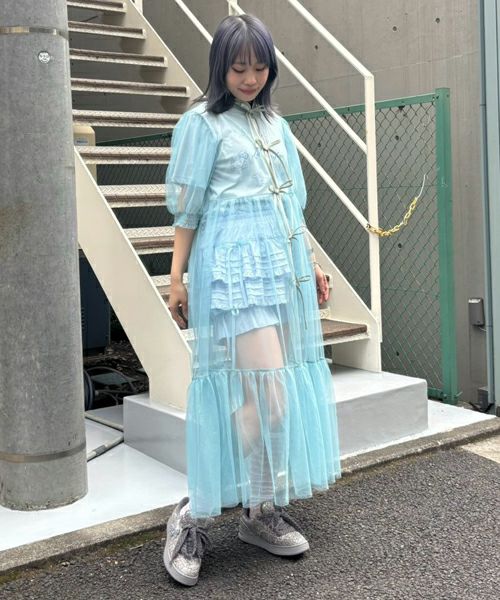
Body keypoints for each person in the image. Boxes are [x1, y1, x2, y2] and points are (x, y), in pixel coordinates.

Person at [163, 13, 342, 587]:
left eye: (260, 67)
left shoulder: (275, 125)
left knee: (272, 400)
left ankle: (258, 509)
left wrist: (311, 263)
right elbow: (188, 210)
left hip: (279, 267)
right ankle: (193, 513)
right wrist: (176, 278)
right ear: (220, 66)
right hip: (233, 270)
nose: (249, 78)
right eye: (238, 67)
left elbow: (289, 206)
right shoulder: (202, 124)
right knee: (267, 395)